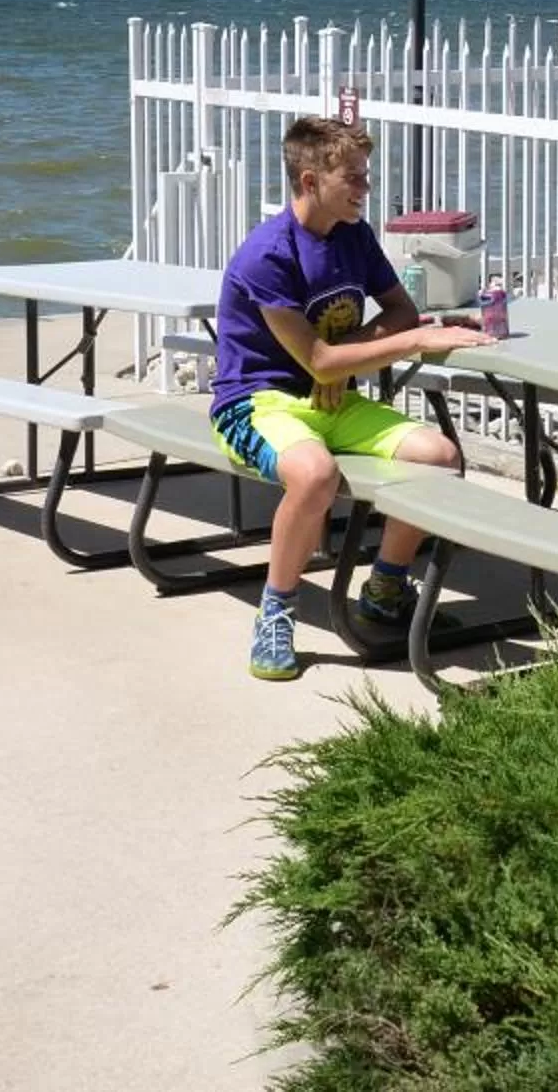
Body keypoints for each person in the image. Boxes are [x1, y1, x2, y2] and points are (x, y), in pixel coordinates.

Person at [209, 115, 489, 680]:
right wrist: (406, 344)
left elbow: (398, 311)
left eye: (365, 176)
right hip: (255, 401)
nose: (365, 189)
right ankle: (276, 610)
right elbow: (323, 358)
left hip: (329, 399)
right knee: (314, 476)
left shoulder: (352, 234)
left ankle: (385, 590)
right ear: (310, 181)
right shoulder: (268, 254)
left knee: (440, 458)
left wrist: (350, 353)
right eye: (354, 179)